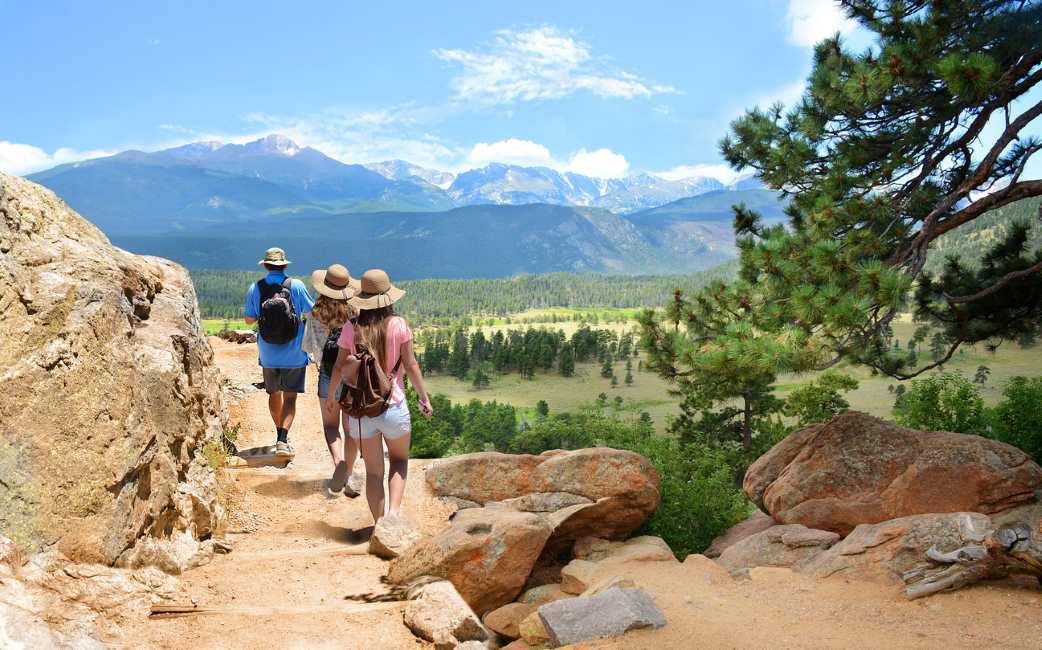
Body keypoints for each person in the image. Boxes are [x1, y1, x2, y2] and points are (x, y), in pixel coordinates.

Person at [328, 269, 433, 522]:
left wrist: (332, 397)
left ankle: (378, 526)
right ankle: (393, 517)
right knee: (398, 462)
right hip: (393, 406)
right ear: (388, 298)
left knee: (373, 472)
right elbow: (410, 365)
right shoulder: (399, 325)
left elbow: (339, 367)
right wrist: (424, 398)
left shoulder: (351, 328)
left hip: (361, 410)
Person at [244, 247, 315, 457]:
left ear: (265, 265)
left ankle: (279, 434)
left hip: (268, 353)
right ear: (284, 265)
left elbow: (249, 319)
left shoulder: (255, 287)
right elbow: (311, 312)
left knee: (273, 393)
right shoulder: (297, 285)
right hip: (293, 352)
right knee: (290, 398)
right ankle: (282, 440)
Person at [302, 263, 361, 496]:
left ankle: (338, 463)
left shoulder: (315, 314)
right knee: (350, 428)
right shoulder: (355, 313)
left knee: (330, 426)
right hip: (352, 375)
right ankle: (349, 472)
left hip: (327, 372)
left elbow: (308, 347)